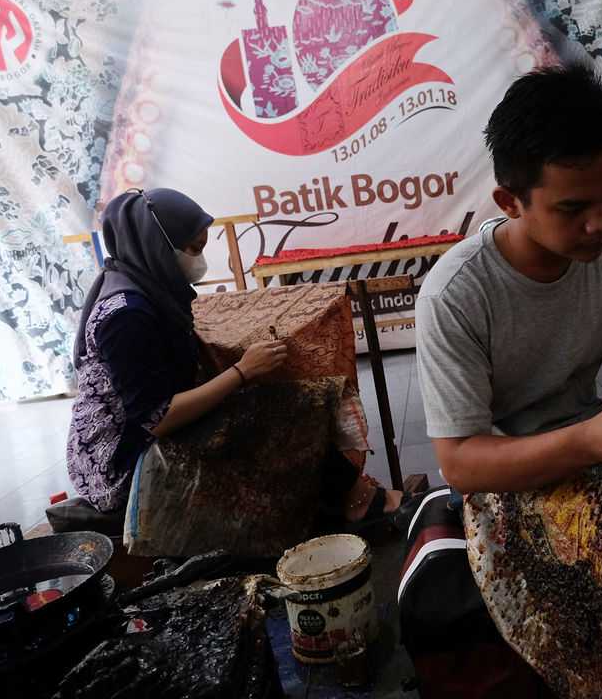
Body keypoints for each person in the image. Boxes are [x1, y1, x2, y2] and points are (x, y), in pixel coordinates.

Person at [415, 65, 602, 697]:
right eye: (573, 208)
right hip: (507, 489)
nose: (601, 222)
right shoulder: (457, 294)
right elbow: (462, 463)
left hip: (597, 451)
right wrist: (587, 442)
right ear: (511, 202)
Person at [66, 187, 404, 528]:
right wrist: (241, 372)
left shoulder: (147, 290)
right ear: (157, 247)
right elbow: (158, 418)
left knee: (278, 401)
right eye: (194, 249)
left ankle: (336, 495)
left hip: (141, 438)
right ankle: (355, 501)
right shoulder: (126, 315)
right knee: (267, 416)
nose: (200, 260)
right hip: (118, 466)